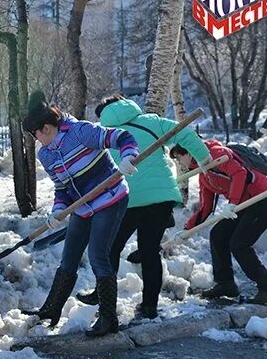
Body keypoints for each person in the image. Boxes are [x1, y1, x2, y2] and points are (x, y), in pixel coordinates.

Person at [75, 95, 211, 320]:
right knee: (149, 252)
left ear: (103, 114)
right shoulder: (151, 122)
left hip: (125, 199)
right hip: (161, 198)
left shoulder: (104, 132)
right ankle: (149, 306)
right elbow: (185, 132)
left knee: (110, 250)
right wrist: (204, 159)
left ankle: (103, 299)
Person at [22, 91, 139, 337]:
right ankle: (51, 309)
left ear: (45, 128)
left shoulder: (80, 132)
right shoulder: (46, 154)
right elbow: (62, 188)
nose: (35, 140)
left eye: (35, 135)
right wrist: (58, 211)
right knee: (69, 258)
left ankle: (109, 318)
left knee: (98, 254)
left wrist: (128, 157)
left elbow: (121, 136)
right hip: (82, 208)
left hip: (110, 198)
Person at [170, 141, 267, 303]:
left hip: (265, 198)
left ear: (188, 152)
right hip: (244, 204)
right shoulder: (205, 175)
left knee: (239, 244)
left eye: (179, 157)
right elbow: (205, 208)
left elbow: (240, 173)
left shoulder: (216, 154)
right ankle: (226, 284)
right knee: (218, 234)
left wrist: (232, 202)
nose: (180, 162)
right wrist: (187, 230)